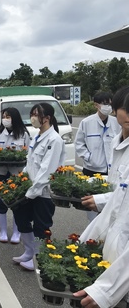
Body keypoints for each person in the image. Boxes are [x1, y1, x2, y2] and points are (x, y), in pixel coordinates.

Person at [73, 86, 129, 308]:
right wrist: (83, 243)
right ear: (115, 110)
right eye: (127, 110)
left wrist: (106, 291)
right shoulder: (119, 144)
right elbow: (119, 198)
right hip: (116, 258)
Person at [12, 103, 65, 271]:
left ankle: (39, 259)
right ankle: (29, 252)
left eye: (36, 114)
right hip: (30, 189)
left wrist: (31, 192)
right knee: (22, 218)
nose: (33, 117)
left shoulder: (54, 139)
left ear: (47, 118)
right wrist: (22, 181)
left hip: (43, 192)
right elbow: (30, 163)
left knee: (41, 226)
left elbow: (47, 171)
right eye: (32, 114)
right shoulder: (37, 137)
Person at [75, 91, 121, 221]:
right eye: (105, 104)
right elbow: (79, 143)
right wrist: (89, 157)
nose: (108, 107)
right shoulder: (86, 122)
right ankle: (92, 230)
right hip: (92, 169)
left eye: (110, 104)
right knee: (92, 203)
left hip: (110, 169)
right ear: (96, 105)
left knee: (109, 201)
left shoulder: (116, 122)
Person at [0, 107, 31, 244]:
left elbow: (29, 154)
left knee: (17, 203)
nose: (5, 119)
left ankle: (16, 232)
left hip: (17, 174)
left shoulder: (23, 134)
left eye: (8, 117)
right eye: (4, 116)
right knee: (0, 201)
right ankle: (2, 231)